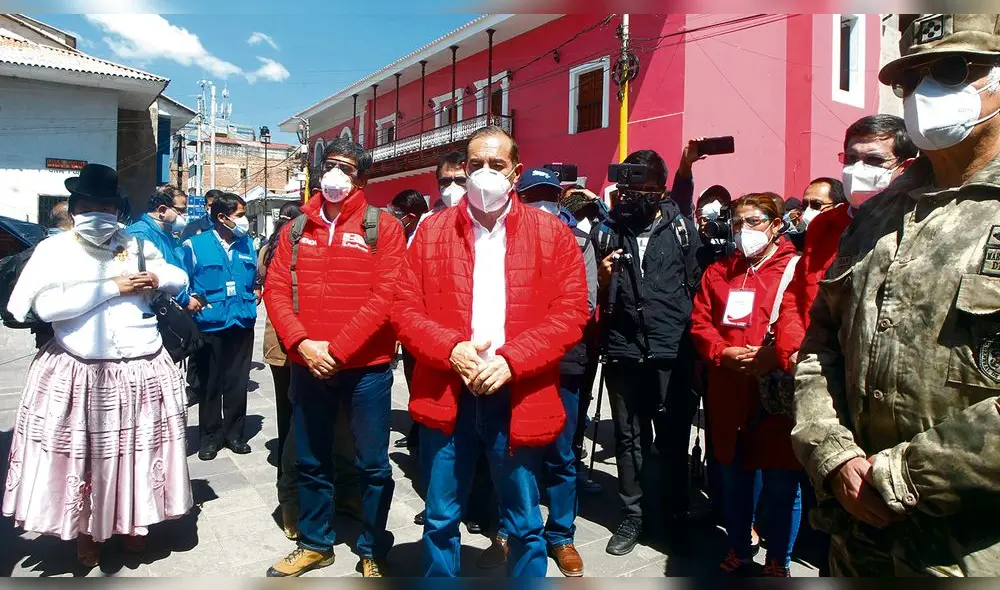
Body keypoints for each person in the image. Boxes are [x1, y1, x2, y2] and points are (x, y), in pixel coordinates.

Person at [792, 14, 1000, 576]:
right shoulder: (879, 215)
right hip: (858, 545)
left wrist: (903, 477)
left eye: (953, 70)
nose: (926, 92)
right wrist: (832, 454)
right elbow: (819, 346)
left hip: (973, 553)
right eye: (911, 79)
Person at [394, 126, 589, 577]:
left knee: (523, 522)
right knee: (441, 519)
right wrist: (451, 349)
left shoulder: (552, 234)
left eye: (496, 165)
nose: (484, 173)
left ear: (515, 172)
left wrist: (511, 360)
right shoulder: (431, 232)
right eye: (475, 164)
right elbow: (404, 308)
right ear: (463, 169)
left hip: (517, 395)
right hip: (449, 394)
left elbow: (571, 313)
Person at [3, 163, 192, 567]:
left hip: (142, 367)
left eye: (106, 206)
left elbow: (178, 276)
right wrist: (113, 287)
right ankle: (86, 532)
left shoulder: (135, 244)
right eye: (89, 205)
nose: (98, 214)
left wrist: (156, 279)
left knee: (135, 454)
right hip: (81, 372)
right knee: (86, 457)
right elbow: (39, 307)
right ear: (74, 208)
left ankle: (132, 523)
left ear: (118, 209)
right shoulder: (54, 249)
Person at [263, 138, 406, 578]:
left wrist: (338, 349)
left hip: (365, 370)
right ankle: (315, 542)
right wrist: (302, 344)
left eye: (345, 167)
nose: (334, 175)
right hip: (308, 365)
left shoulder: (383, 226)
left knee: (372, 464)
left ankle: (370, 547)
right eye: (329, 165)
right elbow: (275, 290)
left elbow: (387, 296)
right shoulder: (295, 228)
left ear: (361, 178)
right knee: (309, 458)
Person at [475, 168, 597, 576]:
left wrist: (536, 339)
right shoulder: (498, 241)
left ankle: (561, 535)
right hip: (508, 365)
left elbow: (585, 304)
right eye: (535, 195)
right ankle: (512, 528)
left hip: (562, 363)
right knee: (511, 452)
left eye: (551, 195)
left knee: (561, 454)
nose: (544, 203)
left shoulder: (578, 239)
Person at [593, 149, 702, 556]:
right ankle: (633, 515)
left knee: (672, 439)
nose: (633, 196)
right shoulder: (605, 232)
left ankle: (674, 510)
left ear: (659, 190)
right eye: (627, 188)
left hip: (673, 351)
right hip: (623, 351)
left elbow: (697, 286)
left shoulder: (683, 230)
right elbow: (592, 299)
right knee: (628, 437)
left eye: (642, 188)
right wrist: (603, 281)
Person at [689, 192, 803, 577]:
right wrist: (721, 352)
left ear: (777, 225)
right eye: (738, 223)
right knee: (734, 480)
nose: (744, 231)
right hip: (727, 392)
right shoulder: (719, 271)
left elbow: (801, 321)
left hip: (773, 395)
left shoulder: (795, 270)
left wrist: (771, 356)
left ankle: (778, 560)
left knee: (782, 483)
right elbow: (700, 322)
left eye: (753, 222)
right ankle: (738, 546)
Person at [773, 116, 917, 375]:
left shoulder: (919, 222)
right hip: (815, 368)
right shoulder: (822, 226)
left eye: (873, 160)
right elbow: (797, 295)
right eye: (851, 159)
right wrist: (794, 348)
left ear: (905, 167)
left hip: (882, 375)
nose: (857, 169)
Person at [181, 192, 258, 461]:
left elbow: (254, 277)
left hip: (241, 320)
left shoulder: (247, 244)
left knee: (237, 382)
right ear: (222, 218)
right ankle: (209, 437)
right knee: (210, 383)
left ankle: (235, 434)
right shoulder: (194, 244)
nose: (244, 221)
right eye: (239, 215)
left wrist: (257, 290)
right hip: (210, 323)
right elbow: (183, 282)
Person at [128, 188, 190, 301]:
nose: (183, 215)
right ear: (162, 210)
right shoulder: (139, 235)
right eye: (180, 211)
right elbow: (146, 279)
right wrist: (185, 300)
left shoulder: (167, 234)